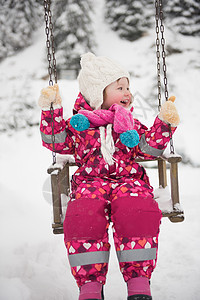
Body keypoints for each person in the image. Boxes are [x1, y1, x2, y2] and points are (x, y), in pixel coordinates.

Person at [38, 53, 180, 300]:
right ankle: (90, 285)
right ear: (97, 93)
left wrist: (164, 124)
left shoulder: (129, 123)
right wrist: (52, 111)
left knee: (137, 209)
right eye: (120, 87)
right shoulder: (79, 125)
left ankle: (138, 281)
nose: (128, 93)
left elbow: (149, 148)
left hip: (129, 182)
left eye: (128, 87)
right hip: (89, 184)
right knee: (82, 216)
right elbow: (55, 142)